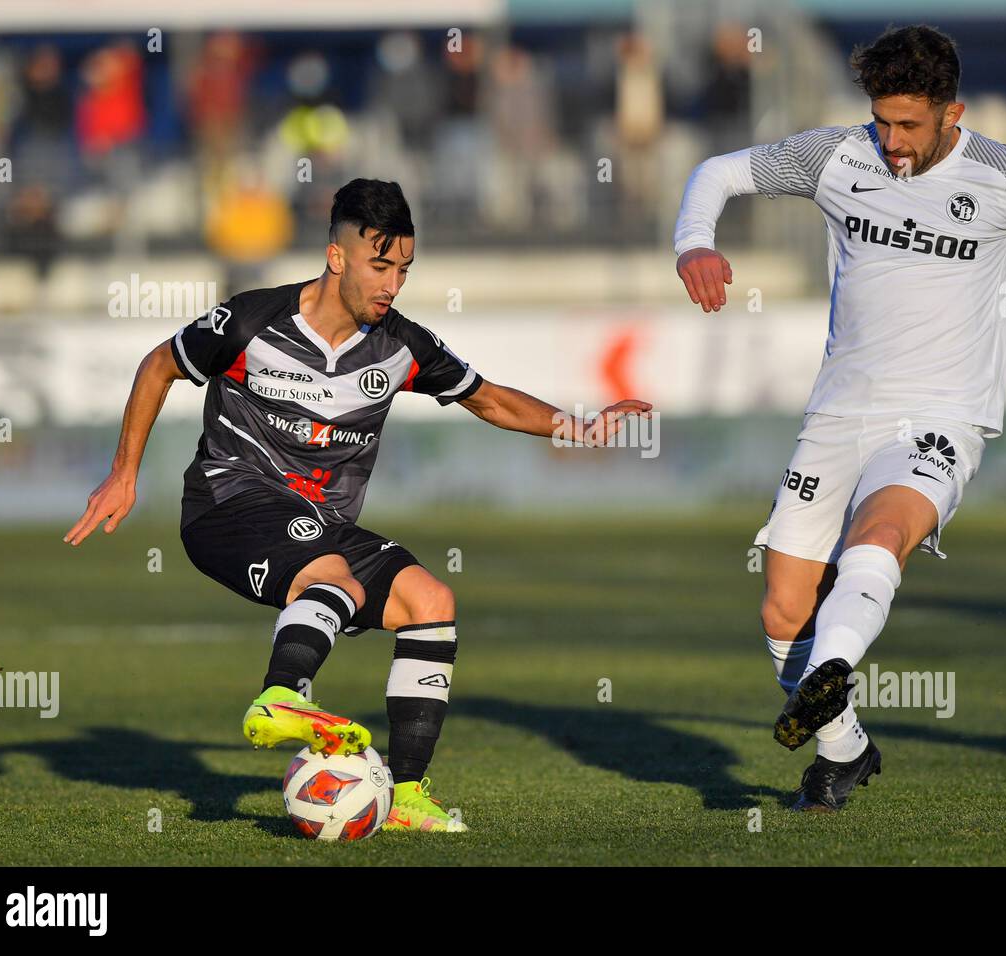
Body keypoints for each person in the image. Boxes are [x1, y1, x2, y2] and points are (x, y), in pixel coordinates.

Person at [673, 25, 1006, 812]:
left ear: (953, 112)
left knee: (879, 537)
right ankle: (844, 750)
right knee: (780, 608)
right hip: (837, 412)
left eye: (909, 125)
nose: (893, 142)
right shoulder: (836, 155)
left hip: (942, 416)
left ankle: (833, 667)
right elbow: (715, 173)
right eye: (883, 121)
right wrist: (694, 244)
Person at [66, 178, 651, 832]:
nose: (392, 284)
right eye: (380, 266)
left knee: (430, 604)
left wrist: (583, 426)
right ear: (337, 256)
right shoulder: (252, 321)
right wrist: (123, 473)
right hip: (226, 504)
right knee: (330, 572)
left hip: (321, 526)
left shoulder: (403, 346)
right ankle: (280, 697)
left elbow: (488, 399)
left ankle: (405, 798)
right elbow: (158, 366)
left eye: (403, 269)